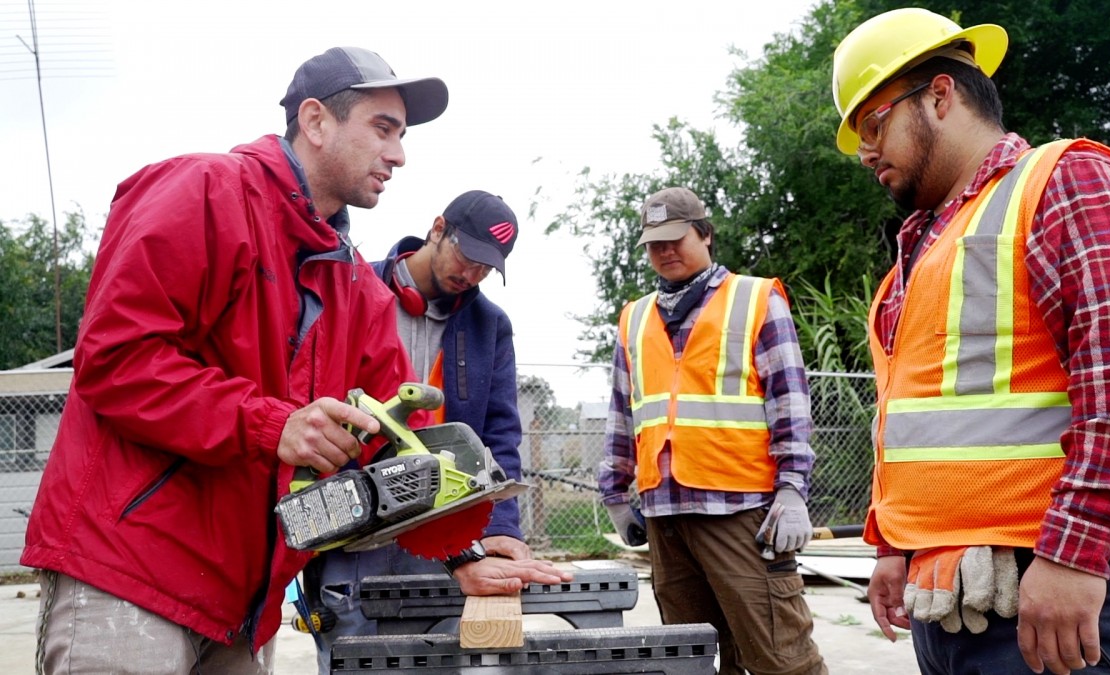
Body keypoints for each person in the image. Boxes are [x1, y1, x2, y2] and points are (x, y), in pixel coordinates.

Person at [18, 47, 562, 675]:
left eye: (403, 136)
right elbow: (115, 358)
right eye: (382, 129)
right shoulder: (205, 190)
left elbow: (390, 443)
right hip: (129, 572)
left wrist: (465, 551)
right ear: (315, 120)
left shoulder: (357, 287)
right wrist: (273, 425)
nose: (399, 155)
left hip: (244, 604)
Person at [831, 8, 1110, 675]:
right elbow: (918, 422)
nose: (863, 151)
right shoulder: (919, 258)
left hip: (1068, 595)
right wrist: (894, 543)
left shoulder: (1066, 181)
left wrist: (1072, 553)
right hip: (957, 596)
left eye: (873, 121)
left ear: (940, 95)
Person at [307, 189, 538, 672]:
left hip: (442, 534)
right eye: (467, 255)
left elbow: (499, 438)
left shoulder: (489, 325)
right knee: (354, 657)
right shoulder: (348, 284)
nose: (470, 274)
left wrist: (499, 530)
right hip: (352, 526)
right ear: (438, 228)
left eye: (485, 268)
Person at [599, 186, 827, 675]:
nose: (664, 251)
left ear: (704, 234)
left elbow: (790, 403)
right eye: (653, 243)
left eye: (675, 238)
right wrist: (616, 493)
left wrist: (792, 491)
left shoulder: (755, 299)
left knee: (781, 658)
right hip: (664, 514)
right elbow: (624, 411)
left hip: (740, 513)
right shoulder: (634, 318)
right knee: (689, 662)